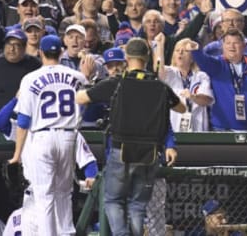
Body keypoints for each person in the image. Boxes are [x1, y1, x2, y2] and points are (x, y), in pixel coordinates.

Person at [75, 37, 185, 236]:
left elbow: (80, 97)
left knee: (113, 200)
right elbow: (181, 107)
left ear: (127, 57)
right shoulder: (159, 86)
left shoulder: (117, 82)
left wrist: (86, 80)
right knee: (137, 205)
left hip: (121, 150)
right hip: (148, 153)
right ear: (146, 58)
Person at [7, 35, 87, 235]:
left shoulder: (30, 78)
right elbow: (85, 107)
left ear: (41, 53)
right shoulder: (77, 76)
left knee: (44, 197)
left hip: (43, 137)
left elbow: (23, 121)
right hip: (69, 136)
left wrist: (17, 155)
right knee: (64, 194)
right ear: (61, 52)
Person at [0, 29, 41, 129]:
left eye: (17, 45)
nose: (11, 49)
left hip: (27, 126)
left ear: (24, 47)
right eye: (9, 44)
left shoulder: (35, 66)